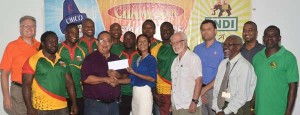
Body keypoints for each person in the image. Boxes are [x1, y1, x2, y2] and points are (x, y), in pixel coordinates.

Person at [22, 31, 78, 115]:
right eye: (50, 41)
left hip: (62, 107)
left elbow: (69, 83)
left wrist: (74, 104)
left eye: (55, 41)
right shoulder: (33, 60)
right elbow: (26, 86)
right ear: (43, 43)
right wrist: (29, 107)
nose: (54, 44)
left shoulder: (63, 60)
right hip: (41, 109)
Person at [253, 26, 299, 115]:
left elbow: (293, 86)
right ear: (263, 38)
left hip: (279, 110)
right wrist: (252, 108)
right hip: (259, 110)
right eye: (267, 35)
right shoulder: (257, 57)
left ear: (279, 38)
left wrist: (288, 112)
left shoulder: (288, 57)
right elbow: (255, 84)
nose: (269, 37)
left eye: (273, 35)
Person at [81, 31, 129, 115]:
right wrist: (105, 79)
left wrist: (119, 75)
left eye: (108, 41)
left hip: (114, 105)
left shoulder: (116, 58)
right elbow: (86, 79)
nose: (105, 43)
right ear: (97, 42)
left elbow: (126, 76)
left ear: (111, 43)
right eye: (102, 40)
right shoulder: (89, 59)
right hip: (94, 106)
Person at [0, 15, 40, 115]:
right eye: (26, 26)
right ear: (20, 28)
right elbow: (4, 74)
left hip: (37, 91)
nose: (30, 28)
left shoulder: (40, 46)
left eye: (33, 26)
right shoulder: (12, 46)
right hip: (19, 91)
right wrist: (6, 97)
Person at [212, 35, 257, 115]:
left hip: (238, 108)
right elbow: (217, 88)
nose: (225, 47)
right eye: (224, 44)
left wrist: (225, 112)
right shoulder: (223, 63)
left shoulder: (244, 67)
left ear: (238, 47)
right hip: (222, 105)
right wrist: (217, 109)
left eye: (229, 45)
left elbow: (241, 97)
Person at [193, 20, 224, 115]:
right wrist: (199, 91)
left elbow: (222, 74)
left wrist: (204, 90)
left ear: (215, 31)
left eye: (209, 29)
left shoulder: (222, 48)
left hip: (215, 91)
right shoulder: (197, 49)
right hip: (198, 90)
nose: (205, 32)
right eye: (203, 29)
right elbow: (193, 72)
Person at [170, 32, 202, 115]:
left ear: (185, 42)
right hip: (177, 106)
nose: (174, 45)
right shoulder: (175, 61)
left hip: (189, 105)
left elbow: (199, 81)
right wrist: (172, 103)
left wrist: (194, 102)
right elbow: (174, 84)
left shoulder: (193, 58)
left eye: (177, 42)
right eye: (172, 43)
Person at [58, 23, 86, 115]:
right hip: (61, 94)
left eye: (77, 33)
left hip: (79, 94)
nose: (75, 35)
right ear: (65, 33)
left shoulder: (83, 50)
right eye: (72, 32)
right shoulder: (57, 49)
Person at [126, 34, 158, 115]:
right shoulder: (137, 59)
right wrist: (116, 80)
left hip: (145, 93)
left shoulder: (151, 59)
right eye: (139, 41)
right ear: (137, 44)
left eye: (144, 41)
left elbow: (152, 78)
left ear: (149, 44)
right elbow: (131, 79)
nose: (142, 43)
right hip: (135, 93)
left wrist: (134, 73)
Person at [151, 22, 176, 115]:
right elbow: (151, 73)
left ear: (173, 31)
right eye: (162, 30)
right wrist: (154, 92)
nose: (165, 32)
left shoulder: (180, 47)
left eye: (167, 29)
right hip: (162, 92)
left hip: (179, 92)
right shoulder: (155, 49)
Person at [119, 31, 139, 115]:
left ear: (135, 41)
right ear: (123, 41)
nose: (128, 40)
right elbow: (115, 75)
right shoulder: (119, 56)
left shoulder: (140, 56)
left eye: (130, 39)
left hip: (138, 93)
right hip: (123, 94)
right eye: (126, 39)